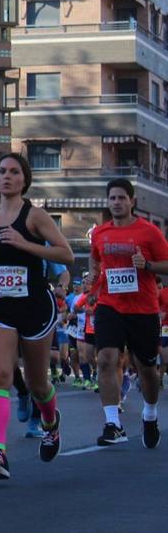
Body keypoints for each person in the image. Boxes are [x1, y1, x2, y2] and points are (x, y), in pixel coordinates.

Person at [0, 153, 74, 480]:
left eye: (14, 172)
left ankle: (50, 421)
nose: (7, 177)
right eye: (1, 171)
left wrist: (25, 244)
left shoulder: (35, 217)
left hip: (34, 305)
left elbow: (65, 254)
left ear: (24, 179)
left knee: (36, 382)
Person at [87, 177, 167, 448]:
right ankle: (113, 423)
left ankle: (150, 414)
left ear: (132, 201)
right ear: (107, 202)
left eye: (122, 198)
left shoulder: (149, 232)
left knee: (147, 368)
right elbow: (95, 258)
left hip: (143, 308)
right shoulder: (100, 232)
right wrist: (94, 278)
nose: (117, 203)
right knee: (106, 359)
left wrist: (147, 265)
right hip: (110, 305)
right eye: (112, 198)